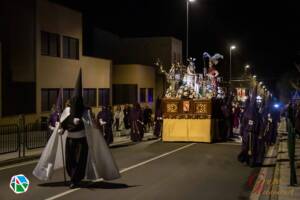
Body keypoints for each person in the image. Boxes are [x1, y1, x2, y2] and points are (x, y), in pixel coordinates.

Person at [33, 69, 120, 188]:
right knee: (70, 161)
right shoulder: (67, 111)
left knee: (80, 162)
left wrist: (85, 123)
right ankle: (73, 176)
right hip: (70, 141)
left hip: (81, 141)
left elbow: (91, 126)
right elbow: (63, 123)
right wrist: (61, 129)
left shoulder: (85, 112)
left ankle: (75, 179)